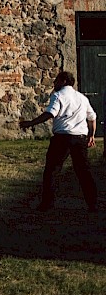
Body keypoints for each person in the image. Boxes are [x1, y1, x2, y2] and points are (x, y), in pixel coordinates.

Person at [19, 71, 98, 212]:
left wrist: (31, 123)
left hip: (62, 138)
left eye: (56, 81)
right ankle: (93, 203)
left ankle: (47, 204)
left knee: (52, 170)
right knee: (84, 171)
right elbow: (92, 117)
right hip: (80, 138)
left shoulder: (58, 95)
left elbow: (50, 113)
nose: (54, 83)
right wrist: (91, 135)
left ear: (63, 81)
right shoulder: (82, 98)